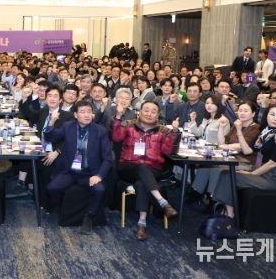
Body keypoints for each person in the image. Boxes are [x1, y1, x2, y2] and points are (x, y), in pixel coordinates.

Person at [111, 101, 181, 240]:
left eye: (153, 111)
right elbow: (116, 137)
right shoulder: (128, 125)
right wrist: (118, 117)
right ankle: (163, 202)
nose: (149, 114)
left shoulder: (163, 130)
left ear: (158, 115)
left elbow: (169, 151)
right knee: (141, 167)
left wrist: (174, 132)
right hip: (128, 167)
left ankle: (142, 223)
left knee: (141, 183)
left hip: (153, 169)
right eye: (146, 110)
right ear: (140, 112)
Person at [212, 105, 276, 218]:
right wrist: (239, 131)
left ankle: (229, 215)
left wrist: (251, 174)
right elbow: (247, 151)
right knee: (225, 173)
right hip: (259, 171)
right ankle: (225, 210)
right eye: (272, 114)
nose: (275, 118)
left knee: (228, 176)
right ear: (266, 116)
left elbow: (272, 164)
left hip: (271, 178)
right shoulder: (264, 133)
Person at [44, 101, 113, 233]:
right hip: (70, 171)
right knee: (51, 188)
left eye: (89, 112)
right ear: (75, 115)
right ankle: (58, 206)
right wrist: (51, 122)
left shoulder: (100, 131)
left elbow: (107, 159)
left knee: (99, 190)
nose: (87, 115)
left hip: (90, 172)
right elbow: (50, 137)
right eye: (82, 112)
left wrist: (99, 176)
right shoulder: (68, 126)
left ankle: (90, 216)